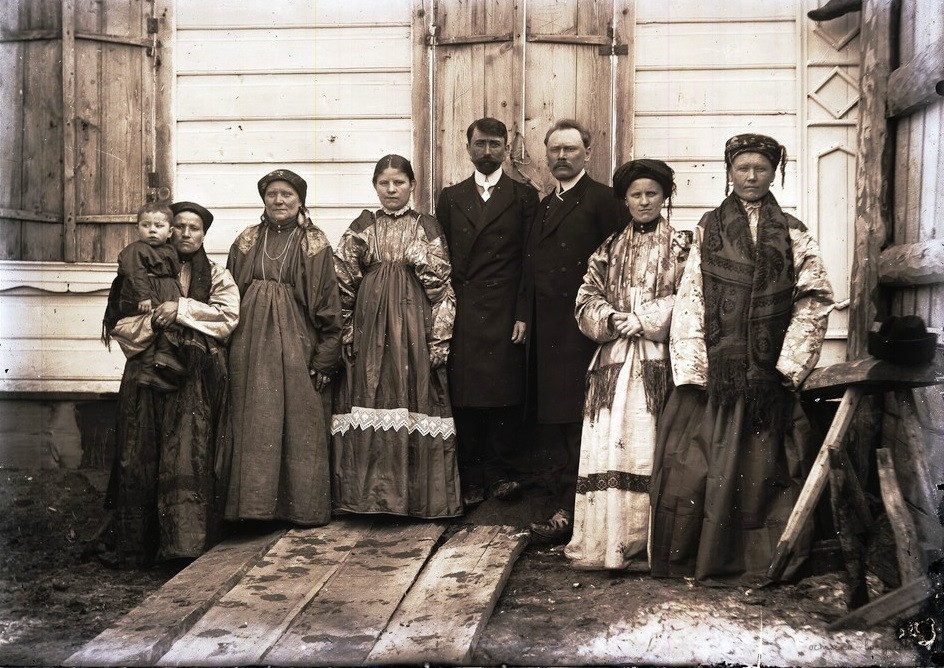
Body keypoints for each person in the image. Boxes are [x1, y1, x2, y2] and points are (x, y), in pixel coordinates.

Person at [650, 134, 834, 585]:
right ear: (729, 172)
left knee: (765, 471)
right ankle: (701, 558)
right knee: (698, 467)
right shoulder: (708, 228)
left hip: (767, 376)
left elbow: (813, 298)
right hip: (718, 374)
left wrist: (788, 365)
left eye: (761, 169)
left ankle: (760, 560)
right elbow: (692, 296)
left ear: (775, 174)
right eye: (742, 168)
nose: (751, 177)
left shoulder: (793, 232)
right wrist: (695, 366)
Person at [98, 200, 240, 567]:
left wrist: (181, 309)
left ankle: (184, 545)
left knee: (186, 453)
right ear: (166, 229)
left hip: (192, 379)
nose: (186, 234)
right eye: (179, 226)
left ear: (204, 235)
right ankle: (138, 546)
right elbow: (119, 322)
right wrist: (154, 322)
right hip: (145, 375)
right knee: (141, 451)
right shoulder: (138, 271)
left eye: (195, 228)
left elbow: (227, 317)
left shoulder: (216, 274)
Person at [564, 159, 690, 571]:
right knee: (612, 442)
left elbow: (691, 297)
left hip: (659, 361)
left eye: (652, 193)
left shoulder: (682, 246)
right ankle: (611, 543)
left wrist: (647, 318)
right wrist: (611, 317)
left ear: (665, 196)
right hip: (614, 360)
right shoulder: (608, 248)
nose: (644, 201)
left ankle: (649, 546)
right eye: (636, 194)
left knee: (649, 443)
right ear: (625, 200)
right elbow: (586, 296)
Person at [332, 154, 462, 519]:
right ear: (375, 186)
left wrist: (439, 339)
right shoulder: (363, 226)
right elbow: (342, 281)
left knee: (414, 395)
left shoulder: (426, 226)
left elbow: (442, 289)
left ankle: (414, 500)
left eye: (399, 182)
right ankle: (367, 499)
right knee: (368, 392)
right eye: (384, 183)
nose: (391, 189)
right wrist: (346, 330)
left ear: (412, 185)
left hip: (413, 329)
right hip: (370, 329)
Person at [520, 119, 624, 543]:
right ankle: (561, 503)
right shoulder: (545, 205)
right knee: (555, 419)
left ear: (588, 153)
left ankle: (574, 510)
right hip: (546, 329)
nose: (561, 156)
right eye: (555, 150)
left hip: (582, 330)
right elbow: (531, 267)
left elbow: (618, 266)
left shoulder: (604, 200)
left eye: (570, 149)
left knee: (578, 419)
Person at [225, 169, 342, 526]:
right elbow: (228, 295)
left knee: (299, 420)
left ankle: (299, 508)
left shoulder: (314, 243)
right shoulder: (247, 240)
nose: (279, 200)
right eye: (272, 194)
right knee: (253, 420)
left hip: (296, 345)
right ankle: (254, 509)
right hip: (248, 346)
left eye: (287, 194)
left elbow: (328, 303)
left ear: (300, 200)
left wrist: (325, 357)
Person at [435, 118, 539, 506]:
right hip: (463, 307)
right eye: (480, 144)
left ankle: (500, 473)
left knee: (503, 391)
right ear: (467, 148)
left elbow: (530, 261)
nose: (487, 151)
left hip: (504, 307)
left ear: (506, 149)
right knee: (464, 393)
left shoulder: (523, 196)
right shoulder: (450, 197)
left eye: (495, 144)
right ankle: (471, 476)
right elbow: (441, 258)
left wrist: (522, 313)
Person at [105, 201, 186, 391]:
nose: (152, 230)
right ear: (137, 228)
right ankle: (149, 370)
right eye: (146, 225)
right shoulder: (137, 249)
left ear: (170, 231)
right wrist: (143, 296)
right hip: (146, 295)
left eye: (159, 226)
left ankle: (164, 357)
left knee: (167, 324)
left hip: (164, 293)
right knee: (152, 328)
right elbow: (135, 273)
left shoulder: (168, 249)